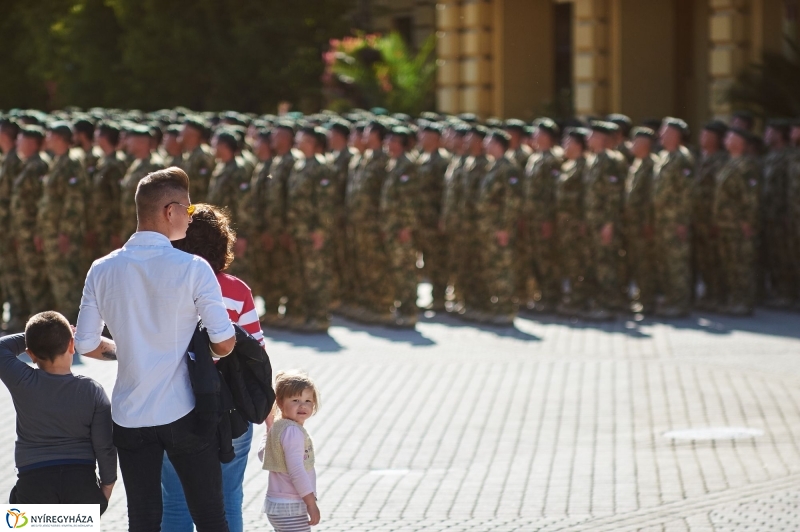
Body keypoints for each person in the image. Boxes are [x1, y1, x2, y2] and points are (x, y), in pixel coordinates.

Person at [75, 167, 236, 532]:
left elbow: (85, 344)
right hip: (184, 412)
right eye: (189, 210)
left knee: (144, 519)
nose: (190, 218)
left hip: (129, 415)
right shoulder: (193, 267)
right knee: (210, 516)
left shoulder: (101, 268)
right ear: (170, 211)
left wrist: (128, 349)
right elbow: (224, 342)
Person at [162, 203, 265, 532]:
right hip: (230, 411)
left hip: (172, 409)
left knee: (176, 502)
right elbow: (256, 354)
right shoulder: (238, 290)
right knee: (228, 501)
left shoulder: (164, 287)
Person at [0, 312, 115, 513]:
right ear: (72, 346)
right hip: (81, 484)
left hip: (33, 483)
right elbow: (104, 446)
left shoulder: (23, 382)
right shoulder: (92, 391)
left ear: (31, 354)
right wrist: (107, 486)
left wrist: (35, 339)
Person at [258, 370, 321, 532]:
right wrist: (311, 503)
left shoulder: (279, 427)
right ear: (279, 403)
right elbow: (296, 470)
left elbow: (263, 455)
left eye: (308, 400)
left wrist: (269, 430)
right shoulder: (292, 432)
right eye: (295, 400)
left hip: (278, 504)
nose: (303, 405)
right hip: (291, 505)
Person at [39, 122, 88, 324]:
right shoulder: (57, 161)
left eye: (50, 136)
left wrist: (65, 233)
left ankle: (73, 328)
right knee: (58, 281)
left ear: (59, 138)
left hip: (62, 234)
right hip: (51, 232)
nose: (47, 140)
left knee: (66, 282)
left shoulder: (71, 163)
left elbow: (73, 201)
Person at [653, 118, 694, 317]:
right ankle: (670, 299)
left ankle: (680, 303)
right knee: (664, 263)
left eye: (666, 132)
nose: (661, 135)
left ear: (677, 135)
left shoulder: (682, 158)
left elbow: (686, 194)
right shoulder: (663, 156)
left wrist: (682, 222)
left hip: (675, 221)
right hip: (662, 221)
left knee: (677, 263)